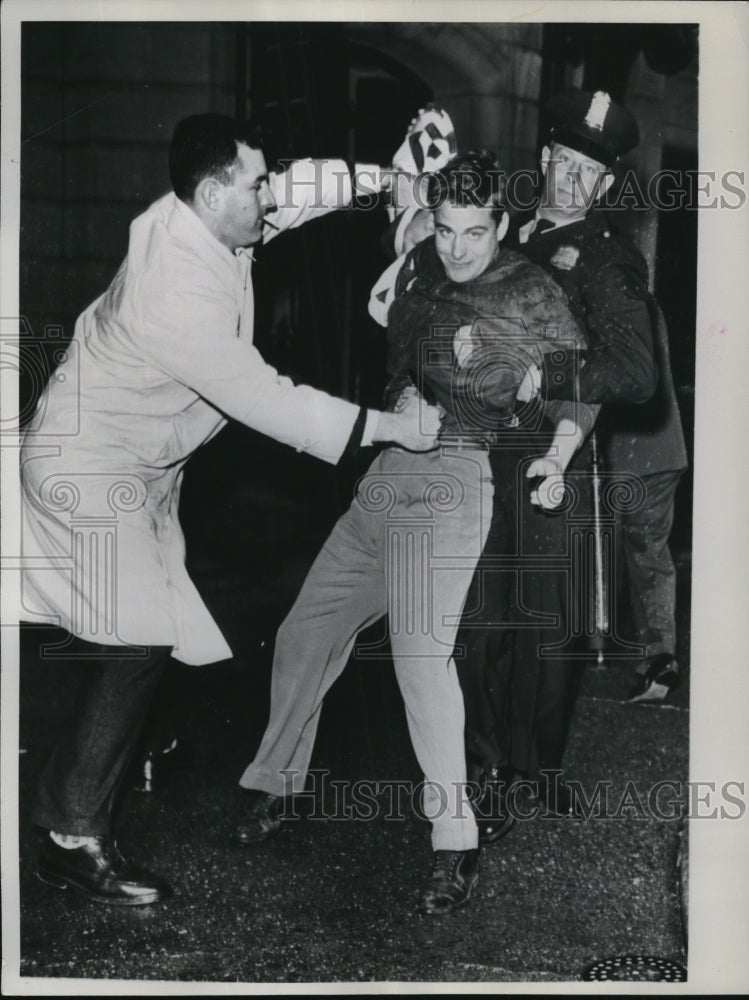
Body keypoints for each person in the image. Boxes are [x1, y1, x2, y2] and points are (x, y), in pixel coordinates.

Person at [20, 113, 443, 907]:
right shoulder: (172, 287)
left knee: (146, 628)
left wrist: (390, 181)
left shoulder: (205, 214)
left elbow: (298, 191)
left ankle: (123, 745)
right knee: (140, 631)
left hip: (135, 464)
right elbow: (266, 402)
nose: (268, 196)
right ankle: (72, 835)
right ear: (214, 193)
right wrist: (393, 429)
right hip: (89, 466)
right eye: (253, 184)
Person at [234, 151, 592, 916]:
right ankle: (279, 785)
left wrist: (555, 458)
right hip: (386, 473)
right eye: (445, 227)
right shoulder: (424, 263)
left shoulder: (533, 290)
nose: (457, 247)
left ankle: (453, 843)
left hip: (455, 479)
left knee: (421, 659)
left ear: (501, 224)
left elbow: (573, 389)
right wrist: (399, 401)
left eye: (473, 232)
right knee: (305, 632)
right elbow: (396, 350)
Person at [458, 88, 686, 835]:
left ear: (605, 185)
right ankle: (486, 769)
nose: (572, 178)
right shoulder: (507, 237)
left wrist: (548, 375)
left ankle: (539, 766)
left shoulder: (607, 258)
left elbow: (636, 373)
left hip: (562, 451)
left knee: (548, 627)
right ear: (546, 159)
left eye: (591, 170)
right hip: (488, 449)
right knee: (484, 620)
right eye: (564, 160)